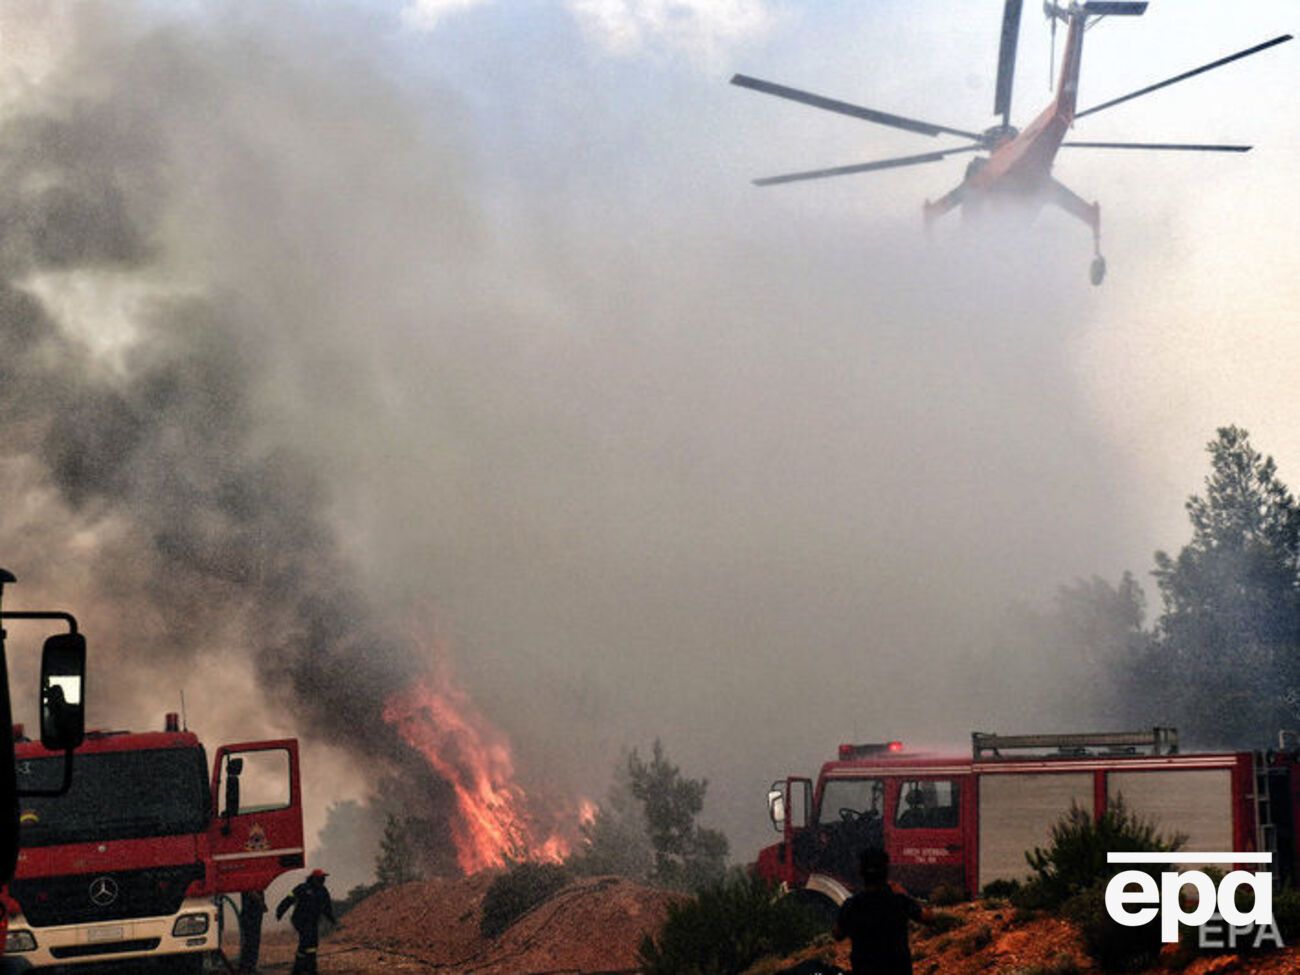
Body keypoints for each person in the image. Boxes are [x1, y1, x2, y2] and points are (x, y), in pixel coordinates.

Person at [833, 849, 932, 975]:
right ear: (886, 872)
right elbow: (928, 918)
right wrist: (907, 896)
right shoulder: (898, 900)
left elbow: (838, 934)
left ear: (861, 872)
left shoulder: (852, 904)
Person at [275, 869, 337, 974]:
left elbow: (327, 907)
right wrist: (280, 911)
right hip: (300, 920)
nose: (323, 880)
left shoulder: (323, 891)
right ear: (314, 878)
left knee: (310, 944)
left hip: (313, 921)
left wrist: (332, 919)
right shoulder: (302, 888)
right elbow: (289, 899)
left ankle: (302, 968)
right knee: (308, 941)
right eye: (321, 878)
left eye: (323, 878)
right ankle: (307, 969)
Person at [237, 889, 267, 974]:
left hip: (253, 914)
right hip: (250, 915)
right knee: (251, 941)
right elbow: (251, 893)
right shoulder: (250, 885)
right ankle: (248, 967)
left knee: (252, 941)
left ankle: (248, 967)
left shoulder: (254, 885)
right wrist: (261, 903)